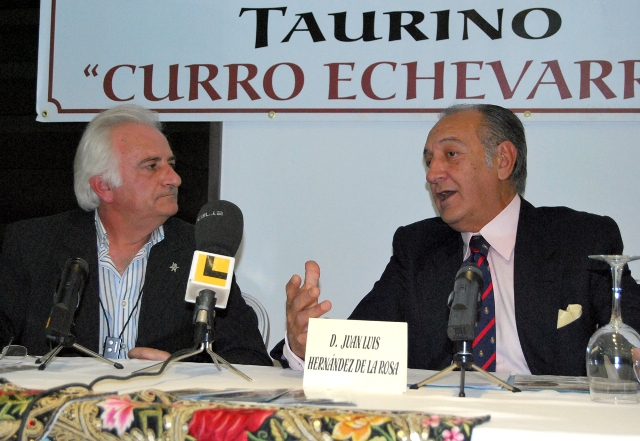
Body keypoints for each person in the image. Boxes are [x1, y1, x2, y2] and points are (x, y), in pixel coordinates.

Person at [272, 104, 640, 376]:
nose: (433, 174)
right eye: (429, 161)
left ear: (503, 161)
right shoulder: (417, 247)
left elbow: (634, 333)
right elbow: (359, 348)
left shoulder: (581, 240)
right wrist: (308, 346)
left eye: (451, 155)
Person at [0, 104, 272, 366]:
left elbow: (249, 358)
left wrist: (183, 373)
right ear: (104, 186)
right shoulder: (32, 245)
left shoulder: (202, 251)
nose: (174, 178)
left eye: (171, 163)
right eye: (152, 166)